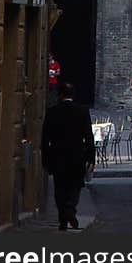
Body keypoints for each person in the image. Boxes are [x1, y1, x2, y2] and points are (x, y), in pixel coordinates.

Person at [41, 81, 95, 232]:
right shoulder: (82, 111)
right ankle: (70, 208)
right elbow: (89, 137)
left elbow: (45, 138)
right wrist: (91, 158)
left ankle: (63, 218)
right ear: (72, 95)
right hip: (77, 155)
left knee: (60, 188)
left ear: (60, 95)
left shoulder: (52, 111)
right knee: (75, 186)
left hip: (57, 155)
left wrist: (45, 159)